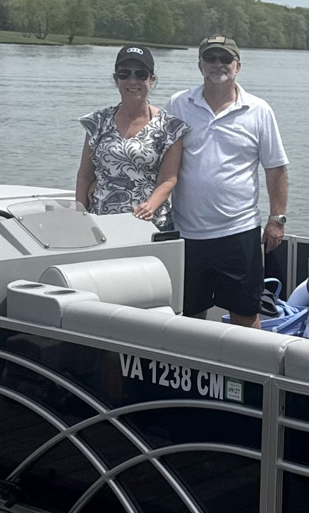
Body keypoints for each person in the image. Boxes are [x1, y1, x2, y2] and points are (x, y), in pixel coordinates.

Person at [167, 35, 289, 328]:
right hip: (188, 232)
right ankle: (196, 372)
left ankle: (250, 374)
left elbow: (276, 168)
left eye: (225, 59)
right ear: (200, 65)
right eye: (211, 59)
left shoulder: (258, 110)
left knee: (246, 314)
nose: (218, 65)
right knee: (189, 314)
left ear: (238, 66)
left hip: (239, 231)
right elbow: (162, 160)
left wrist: (277, 220)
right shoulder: (178, 104)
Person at [76, 45, 188, 229]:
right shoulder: (96, 122)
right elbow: (84, 175)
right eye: (124, 74)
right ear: (116, 79)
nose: (132, 81)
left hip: (150, 224)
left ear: (151, 80)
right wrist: (79, 215)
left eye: (141, 74)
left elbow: (168, 179)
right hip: (102, 222)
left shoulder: (170, 126)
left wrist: (149, 206)